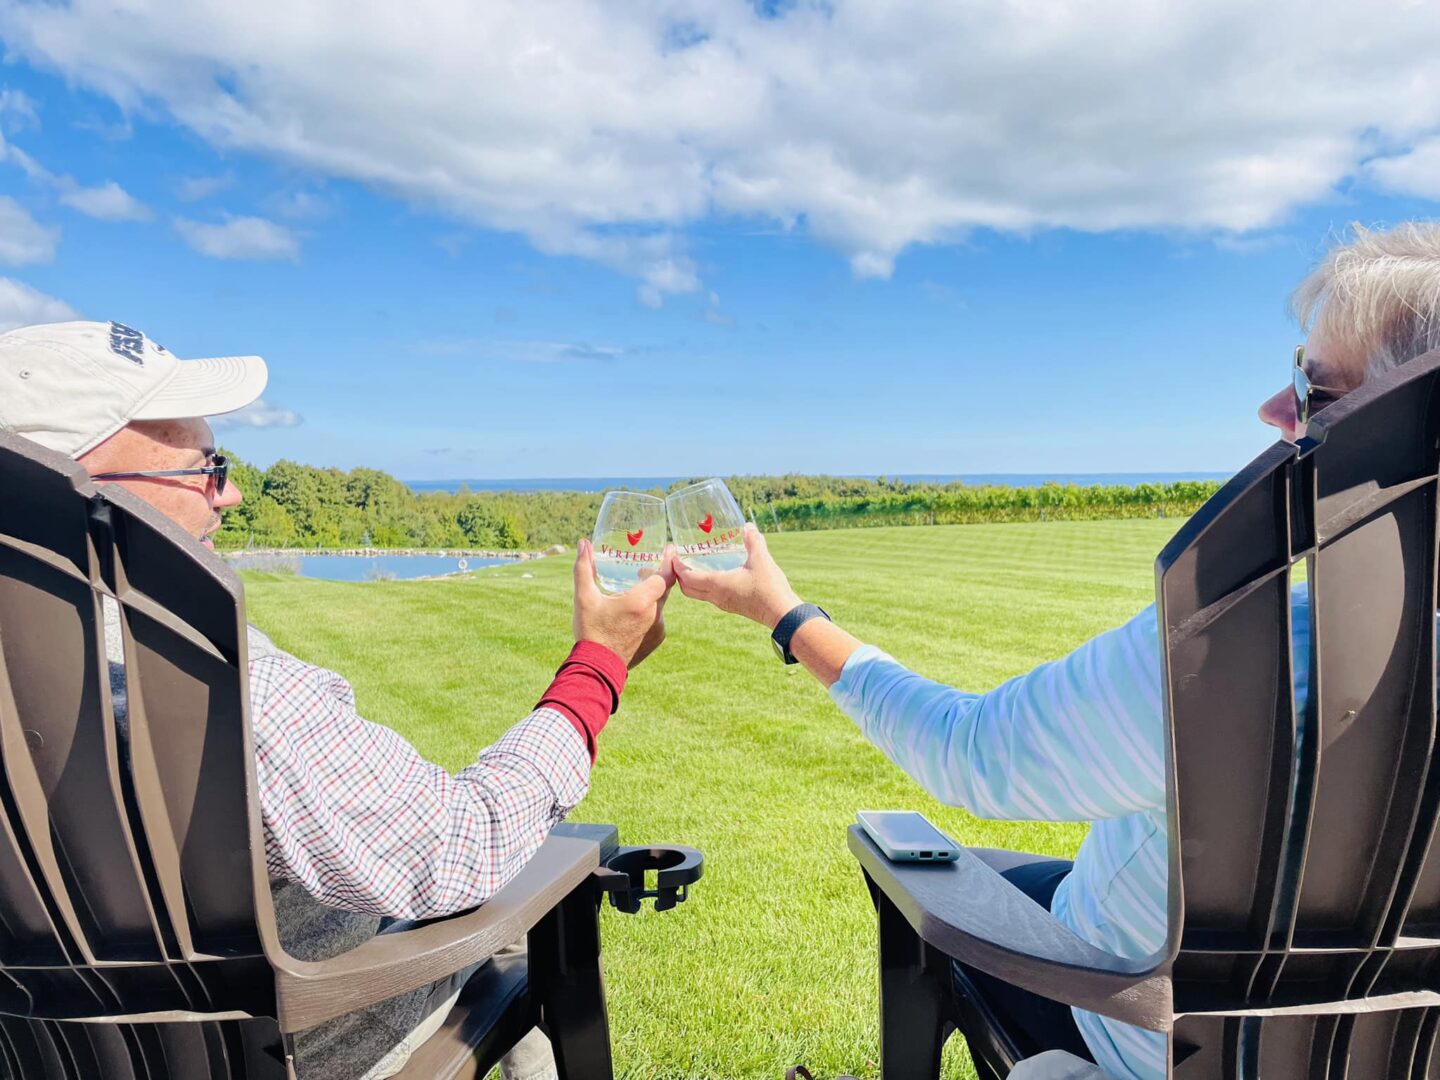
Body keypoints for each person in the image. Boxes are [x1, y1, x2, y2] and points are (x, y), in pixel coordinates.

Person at [671, 221, 1440, 1080]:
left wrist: (786, 616)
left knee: (924, 879)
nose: (1273, 408)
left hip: (1136, 1022)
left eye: (1313, 384)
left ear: (1407, 437)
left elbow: (970, 752)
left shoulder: (1243, 652)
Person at [0, 320, 676, 1080]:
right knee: (518, 918)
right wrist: (597, 667)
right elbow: (460, 845)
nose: (233, 493)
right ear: (80, 491)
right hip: (289, 1044)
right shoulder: (222, 692)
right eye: (205, 469)